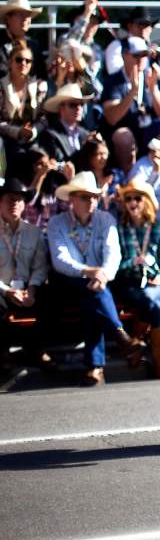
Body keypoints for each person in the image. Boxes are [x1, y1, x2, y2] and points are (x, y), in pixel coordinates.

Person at [46, 171, 138, 386]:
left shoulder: (106, 219)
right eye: (85, 197)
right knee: (93, 292)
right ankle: (119, 335)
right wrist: (91, 272)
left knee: (93, 296)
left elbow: (113, 254)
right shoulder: (57, 223)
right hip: (66, 283)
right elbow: (61, 261)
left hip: (97, 283)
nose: (91, 201)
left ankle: (96, 367)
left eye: (95, 197)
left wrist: (102, 275)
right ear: (72, 199)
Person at [112, 179, 160, 379]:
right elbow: (114, 265)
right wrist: (132, 262)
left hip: (152, 281)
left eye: (137, 198)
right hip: (128, 281)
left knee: (152, 299)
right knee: (156, 307)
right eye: (128, 198)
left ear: (146, 202)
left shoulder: (157, 228)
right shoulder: (119, 228)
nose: (133, 202)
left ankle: (137, 344)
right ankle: (157, 361)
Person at [0, 177, 49, 372]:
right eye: (10, 199)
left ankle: (36, 349)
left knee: (52, 300)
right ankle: (2, 352)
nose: (15, 204)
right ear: (0, 202)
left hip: (26, 288)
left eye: (19, 200)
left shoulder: (34, 233)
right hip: (2, 290)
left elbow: (40, 267)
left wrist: (32, 289)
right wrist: (6, 291)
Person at [99, 36, 160, 151]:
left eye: (144, 55)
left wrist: (153, 89)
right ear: (124, 55)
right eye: (136, 55)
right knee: (124, 136)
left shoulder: (151, 76)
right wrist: (133, 91)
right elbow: (112, 118)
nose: (141, 59)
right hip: (126, 133)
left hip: (149, 135)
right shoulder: (114, 81)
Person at [0, 39, 47, 164]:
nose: (23, 63)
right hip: (6, 140)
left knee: (41, 158)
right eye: (19, 59)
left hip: (33, 139)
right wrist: (18, 132)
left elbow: (43, 118)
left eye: (28, 61)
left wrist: (34, 131)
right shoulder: (1, 86)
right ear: (10, 62)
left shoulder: (38, 86)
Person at [102, 7, 160, 78]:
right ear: (129, 26)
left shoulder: (154, 51)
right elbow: (114, 78)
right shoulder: (117, 46)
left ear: (151, 28)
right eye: (139, 24)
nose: (143, 29)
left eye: (146, 25)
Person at [0, 0, 48, 80]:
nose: (25, 18)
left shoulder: (34, 46)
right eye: (20, 14)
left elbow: (42, 76)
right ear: (7, 18)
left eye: (28, 15)